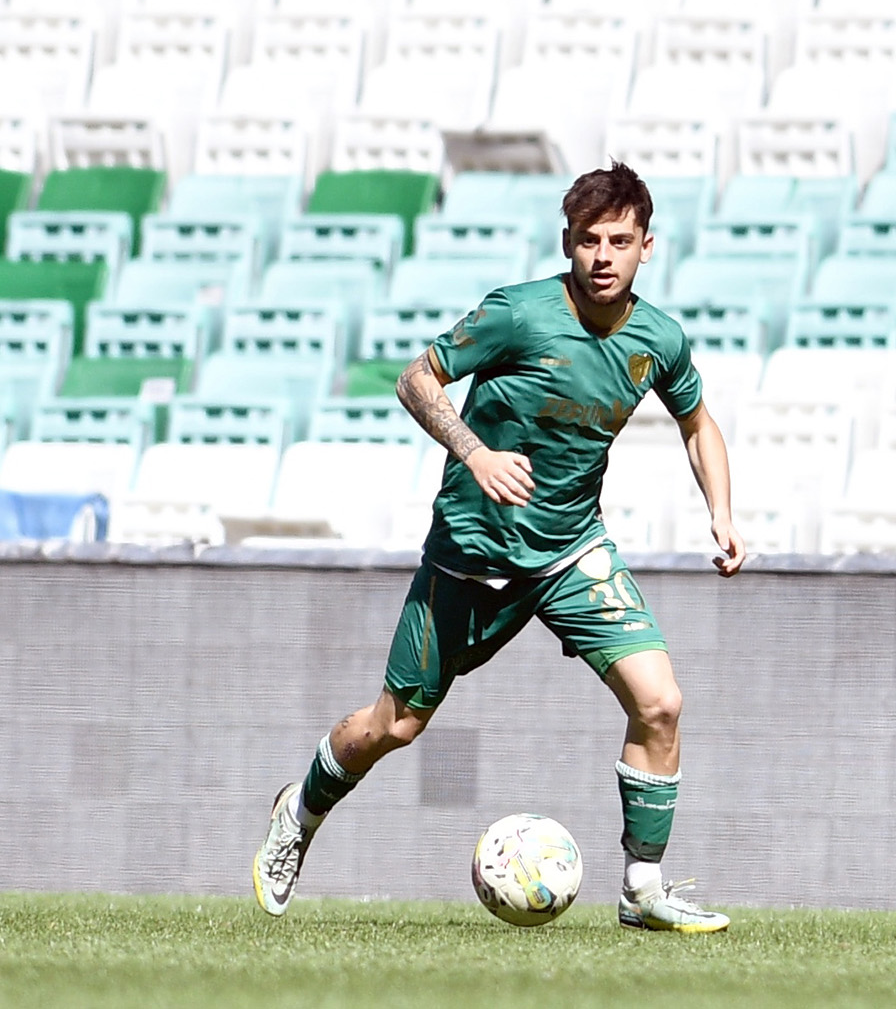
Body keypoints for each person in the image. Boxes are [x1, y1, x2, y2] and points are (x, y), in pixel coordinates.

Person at [252, 163, 746, 932]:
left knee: (661, 702)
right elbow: (417, 379)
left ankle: (642, 888)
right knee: (394, 726)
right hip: (471, 553)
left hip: (570, 551)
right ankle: (300, 813)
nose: (603, 256)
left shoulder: (659, 338)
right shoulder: (518, 313)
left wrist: (721, 510)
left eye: (620, 241)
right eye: (589, 240)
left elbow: (697, 422)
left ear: (647, 246)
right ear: (568, 242)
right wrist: (474, 452)